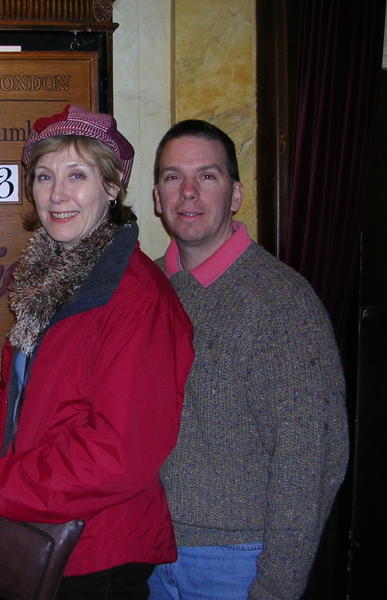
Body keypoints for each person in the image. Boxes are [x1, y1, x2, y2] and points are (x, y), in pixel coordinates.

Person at [0, 105, 194, 600]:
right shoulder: (51, 284)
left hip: (96, 555)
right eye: (44, 176)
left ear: (112, 185)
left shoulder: (135, 298)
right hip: (33, 536)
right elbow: (12, 395)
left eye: (76, 175)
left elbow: (117, 454)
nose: (57, 194)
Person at [147, 119, 349, 600]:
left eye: (208, 176)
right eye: (174, 177)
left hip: (237, 563)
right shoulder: (143, 291)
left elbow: (312, 457)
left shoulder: (281, 301)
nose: (188, 192)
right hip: (146, 550)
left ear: (235, 194)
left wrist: (277, 586)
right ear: (157, 197)